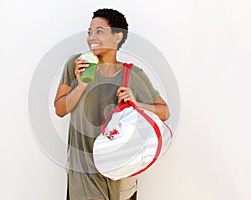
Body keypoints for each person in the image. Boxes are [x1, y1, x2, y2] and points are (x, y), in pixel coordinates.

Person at [54, 8, 170, 200]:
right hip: (83, 173)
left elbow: (164, 112)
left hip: (121, 171)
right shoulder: (76, 64)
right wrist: (81, 85)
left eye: (99, 31)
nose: (92, 37)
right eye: (89, 32)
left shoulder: (133, 75)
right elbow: (59, 109)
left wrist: (137, 104)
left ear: (117, 37)